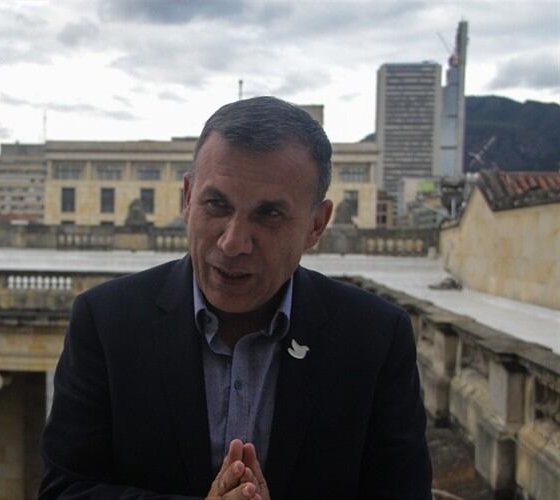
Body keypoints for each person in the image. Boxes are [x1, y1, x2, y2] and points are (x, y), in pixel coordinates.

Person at [39, 96, 432, 499]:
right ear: (188, 197)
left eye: (270, 214)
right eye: (217, 204)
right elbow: (64, 491)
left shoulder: (375, 338)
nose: (233, 243)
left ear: (317, 224)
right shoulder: (107, 322)